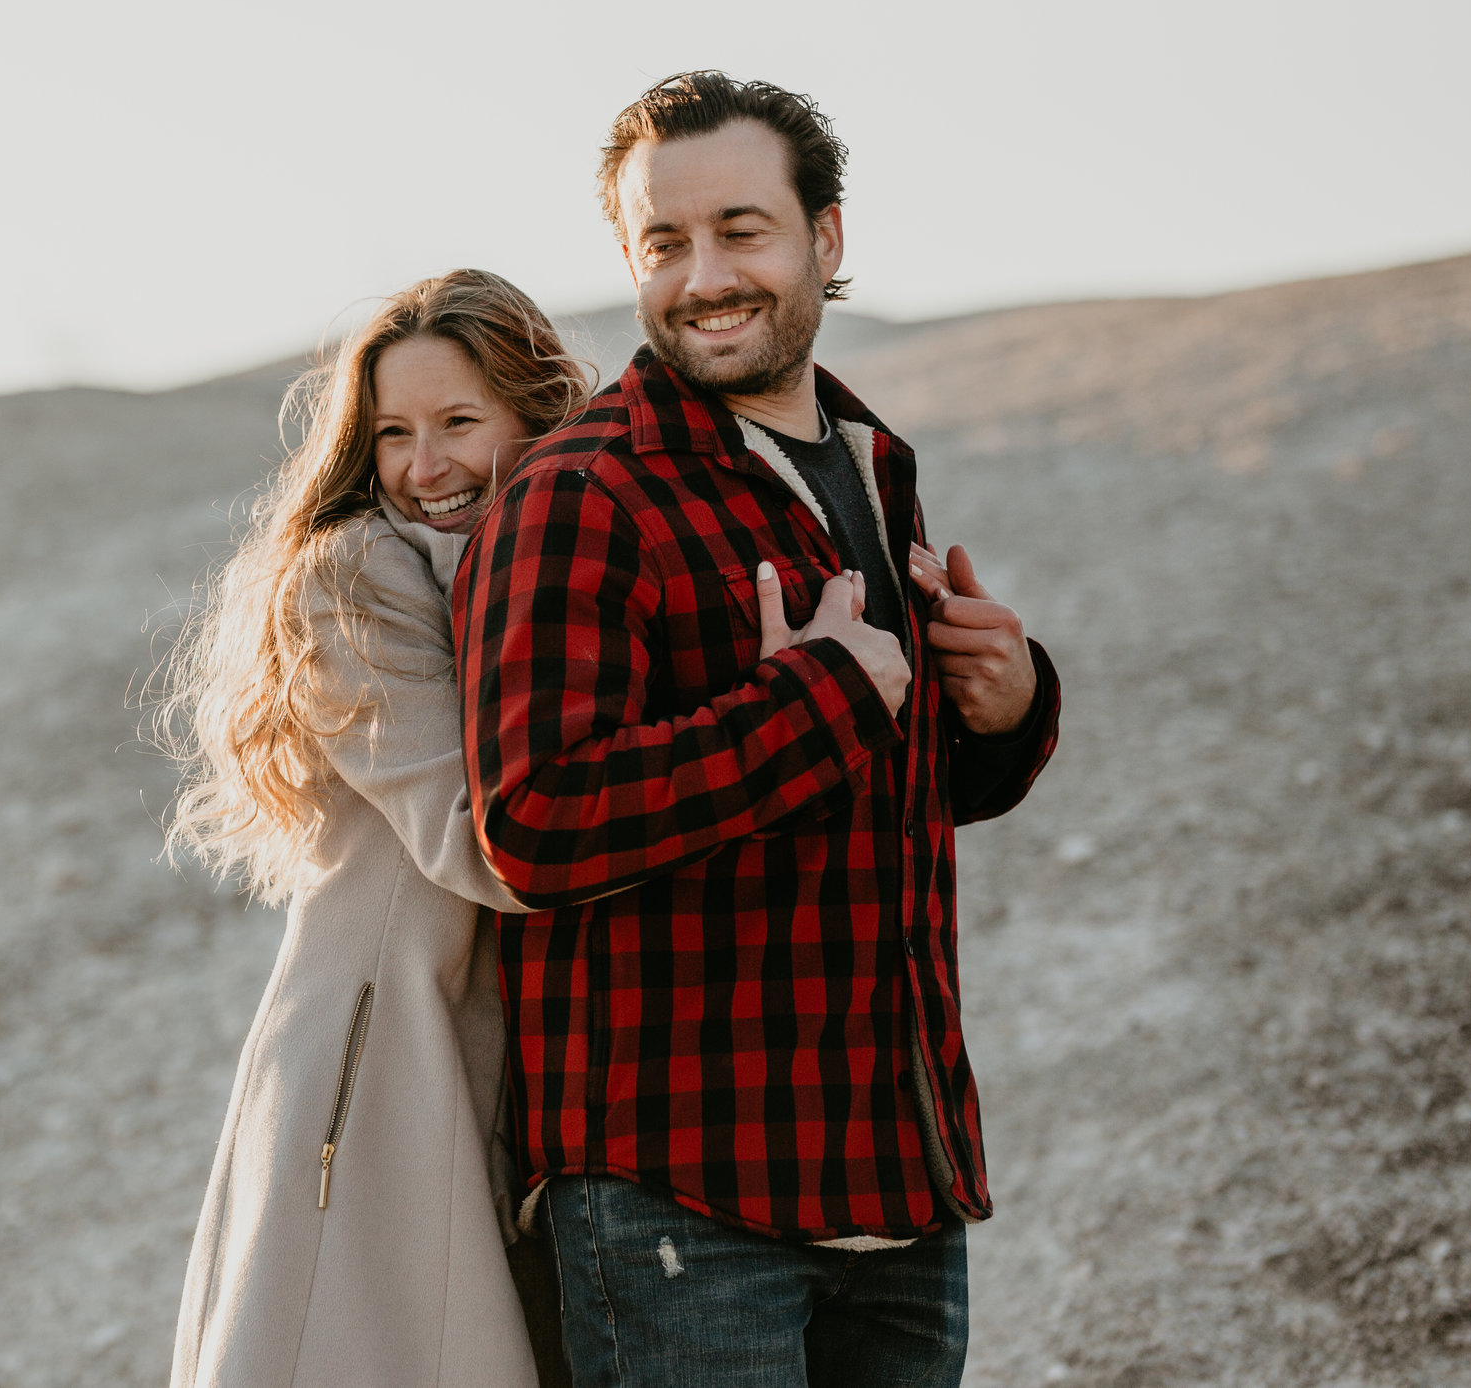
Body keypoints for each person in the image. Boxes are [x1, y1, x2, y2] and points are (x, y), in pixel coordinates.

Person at [454, 72, 1064, 1388]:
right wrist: (821, 697)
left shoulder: (868, 459)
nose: (703, 274)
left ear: (826, 239)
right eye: (663, 243)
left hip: (897, 1173)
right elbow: (536, 822)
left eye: (741, 228)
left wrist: (1006, 708)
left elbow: (878, 791)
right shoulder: (583, 494)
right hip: (683, 1196)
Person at [161, 269, 592, 1388]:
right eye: (394, 432)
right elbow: (476, 842)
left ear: (534, 415)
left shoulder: (538, 556)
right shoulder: (353, 576)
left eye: (458, 421)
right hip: (376, 1042)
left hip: (482, 1043)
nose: (424, 465)